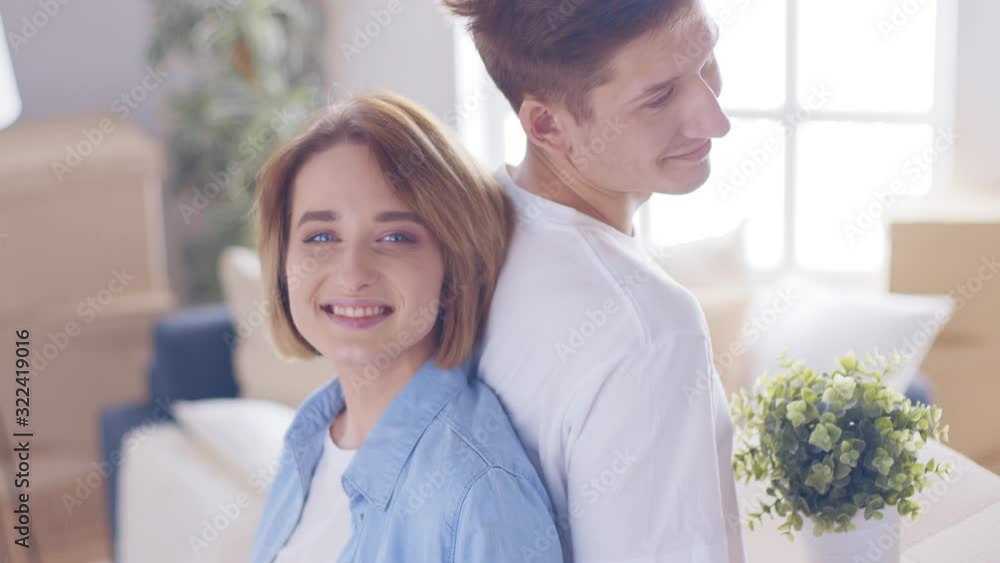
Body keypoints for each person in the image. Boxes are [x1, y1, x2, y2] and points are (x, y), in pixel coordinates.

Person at [443, 0, 746, 561]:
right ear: (547, 124)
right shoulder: (651, 328)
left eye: (707, 62)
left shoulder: (463, 238)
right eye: (659, 97)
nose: (715, 120)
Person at [248, 92, 564, 563]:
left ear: (453, 264)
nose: (352, 274)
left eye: (395, 236)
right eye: (321, 236)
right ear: (283, 262)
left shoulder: (478, 492)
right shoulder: (309, 435)